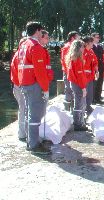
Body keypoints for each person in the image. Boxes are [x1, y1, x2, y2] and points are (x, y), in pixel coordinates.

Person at [18, 21, 51, 154]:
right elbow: (40, 72)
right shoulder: (35, 46)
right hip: (34, 85)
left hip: (25, 84)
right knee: (35, 115)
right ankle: (34, 144)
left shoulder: (23, 45)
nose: (41, 33)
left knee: (28, 113)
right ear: (37, 31)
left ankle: (30, 140)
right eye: (41, 31)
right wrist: (46, 88)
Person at [66, 40, 88, 131]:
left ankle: (78, 122)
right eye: (82, 47)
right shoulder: (77, 59)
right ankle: (78, 123)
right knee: (79, 104)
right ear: (78, 48)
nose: (84, 49)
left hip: (75, 83)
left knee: (78, 103)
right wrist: (83, 88)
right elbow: (80, 75)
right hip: (78, 84)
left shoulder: (72, 58)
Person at [10, 37, 27, 141]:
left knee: (23, 109)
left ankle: (23, 132)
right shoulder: (20, 56)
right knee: (23, 109)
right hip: (20, 86)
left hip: (18, 85)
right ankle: (22, 133)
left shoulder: (18, 55)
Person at [61, 31, 80, 111]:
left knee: (72, 90)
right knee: (69, 90)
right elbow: (65, 61)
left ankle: (72, 109)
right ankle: (67, 110)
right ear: (73, 38)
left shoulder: (73, 46)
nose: (79, 38)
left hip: (72, 72)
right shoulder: (67, 47)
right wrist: (69, 72)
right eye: (78, 36)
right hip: (69, 72)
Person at [82, 36, 98, 116]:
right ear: (86, 43)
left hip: (90, 76)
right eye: (91, 42)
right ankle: (84, 110)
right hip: (84, 77)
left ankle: (88, 107)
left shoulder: (91, 51)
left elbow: (95, 61)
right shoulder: (82, 52)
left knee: (90, 94)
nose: (92, 44)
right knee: (84, 94)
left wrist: (96, 70)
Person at [92, 32, 104, 104]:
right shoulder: (91, 47)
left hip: (100, 67)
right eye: (97, 37)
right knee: (94, 83)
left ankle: (98, 98)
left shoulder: (100, 47)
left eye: (98, 37)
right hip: (94, 68)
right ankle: (93, 98)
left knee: (100, 83)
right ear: (93, 38)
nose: (98, 39)